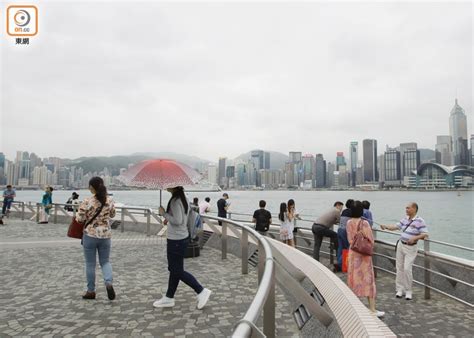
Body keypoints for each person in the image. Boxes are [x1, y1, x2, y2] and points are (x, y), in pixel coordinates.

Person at [154, 186, 212, 309]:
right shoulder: (183, 198)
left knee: (175, 270)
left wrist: (163, 213)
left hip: (176, 239)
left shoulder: (175, 201)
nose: (166, 186)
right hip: (181, 238)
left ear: (173, 186)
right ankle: (169, 297)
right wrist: (168, 216)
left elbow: (178, 220)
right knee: (175, 269)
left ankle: (201, 290)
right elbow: (182, 217)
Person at [77, 177, 116, 300]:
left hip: (90, 235)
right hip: (105, 235)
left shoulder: (87, 201)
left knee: (90, 264)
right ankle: (108, 283)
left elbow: (80, 219)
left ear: (92, 187)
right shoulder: (109, 200)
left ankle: (91, 291)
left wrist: (79, 216)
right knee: (105, 261)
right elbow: (113, 214)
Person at [381, 202, 428, 300]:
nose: (406, 210)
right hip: (401, 245)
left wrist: (415, 238)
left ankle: (408, 290)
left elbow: (425, 234)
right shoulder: (405, 219)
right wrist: (385, 227)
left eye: (408, 208)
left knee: (407, 269)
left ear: (414, 209)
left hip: (411, 248)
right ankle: (399, 289)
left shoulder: (420, 221)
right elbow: (396, 227)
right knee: (399, 268)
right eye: (406, 208)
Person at [346, 200, 384, 318]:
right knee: (368, 281)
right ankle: (372, 309)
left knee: (354, 279)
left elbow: (350, 239)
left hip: (353, 254)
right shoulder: (365, 224)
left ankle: (353, 308)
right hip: (364, 257)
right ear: (362, 211)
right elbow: (371, 240)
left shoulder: (348, 223)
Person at [336, 199, 354, 272]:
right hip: (345, 231)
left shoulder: (344, 211)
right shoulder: (351, 212)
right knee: (347, 248)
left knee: (340, 247)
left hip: (339, 229)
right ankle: (340, 264)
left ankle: (338, 262)